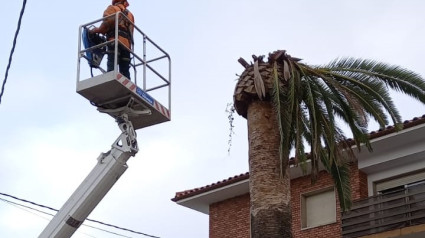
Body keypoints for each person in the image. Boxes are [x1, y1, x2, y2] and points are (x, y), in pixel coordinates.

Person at [91, 0, 134, 79]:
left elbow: (106, 24)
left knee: (112, 67)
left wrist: (95, 30)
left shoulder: (112, 9)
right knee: (125, 70)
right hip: (127, 46)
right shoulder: (130, 15)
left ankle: (110, 77)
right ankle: (126, 82)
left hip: (114, 41)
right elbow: (131, 32)